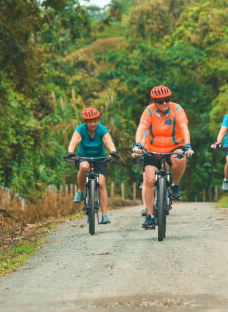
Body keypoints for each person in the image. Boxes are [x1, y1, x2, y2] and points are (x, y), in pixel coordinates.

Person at [131, 85, 194, 229]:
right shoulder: (149, 111)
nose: (165, 103)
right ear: (155, 102)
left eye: (167, 99)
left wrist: (188, 145)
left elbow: (184, 127)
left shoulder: (177, 109)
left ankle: (175, 185)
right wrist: (137, 145)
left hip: (174, 146)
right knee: (149, 180)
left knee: (179, 158)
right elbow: (141, 128)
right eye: (160, 101)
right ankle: (150, 216)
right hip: (152, 149)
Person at [65, 107, 119, 224]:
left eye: (95, 120)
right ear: (85, 122)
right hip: (83, 157)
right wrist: (70, 152)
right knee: (84, 167)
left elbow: (108, 141)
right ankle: (80, 191)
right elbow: (73, 142)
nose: (93, 123)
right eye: (90, 121)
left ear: (98, 120)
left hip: (100, 158)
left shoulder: (102, 129)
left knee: (101, 183)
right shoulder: (81, 129)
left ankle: (104, 215)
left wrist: (113, 152)